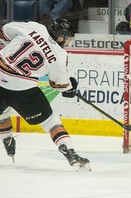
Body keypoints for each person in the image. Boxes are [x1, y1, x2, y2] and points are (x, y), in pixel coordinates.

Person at [0, 19, 91, 171]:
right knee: (51, 122)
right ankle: (71, 155)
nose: (68, 43)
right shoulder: (60, 54)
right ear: (61, 37)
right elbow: (59, 84)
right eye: (67, 39)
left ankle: (7, 140)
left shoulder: (35, 27)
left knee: (2, 112)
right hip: (22, 89)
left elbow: (5, 31)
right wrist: (70, 87)